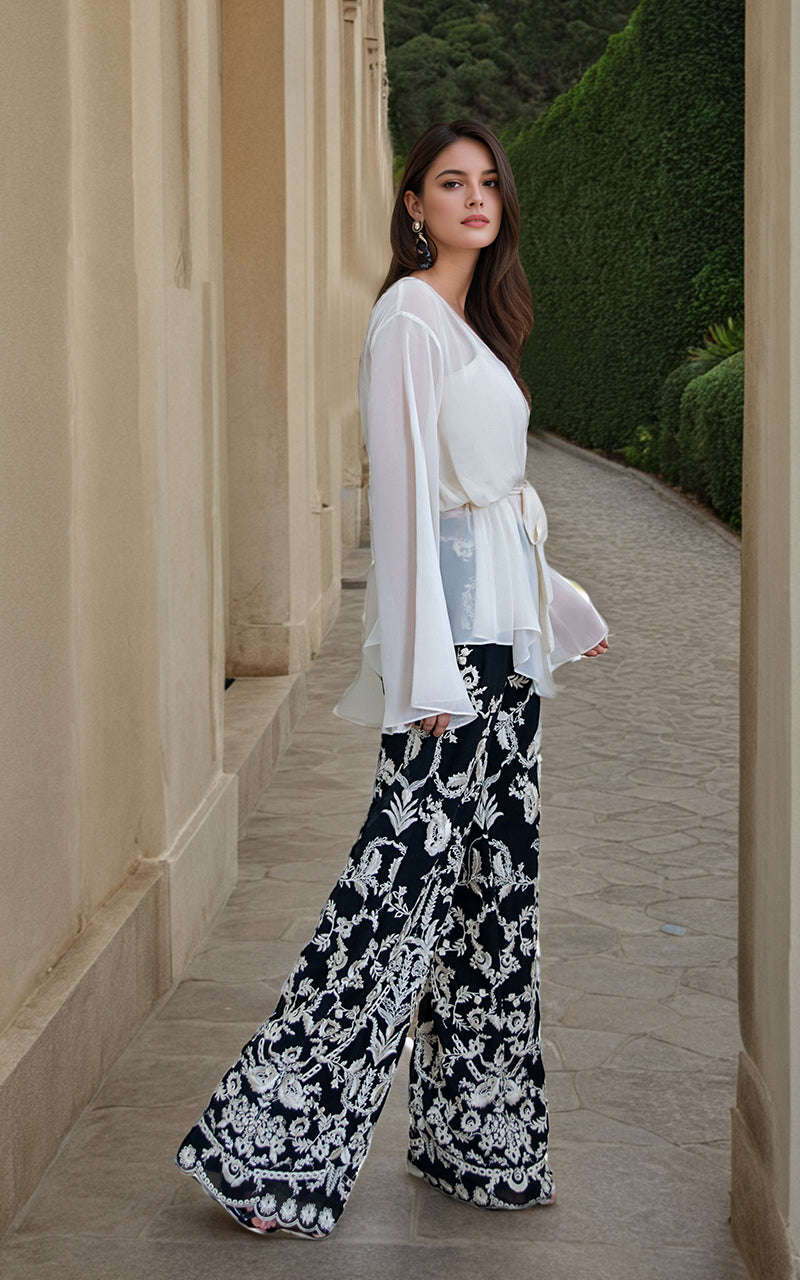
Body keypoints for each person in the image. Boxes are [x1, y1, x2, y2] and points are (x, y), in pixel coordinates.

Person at [175, 118, 609, 1240]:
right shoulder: (407, 319)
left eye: (487, 182)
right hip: (451, 665)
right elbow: (413, 507)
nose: (475, 197)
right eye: (449, 183)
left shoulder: (473, 327)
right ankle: (266, 1148)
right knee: (391, 897)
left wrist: (557, 608)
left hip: (506, 656)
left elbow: (497, 503)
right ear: (414, 205)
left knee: (493, 898)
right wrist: (425, 674)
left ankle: (480, 1145)